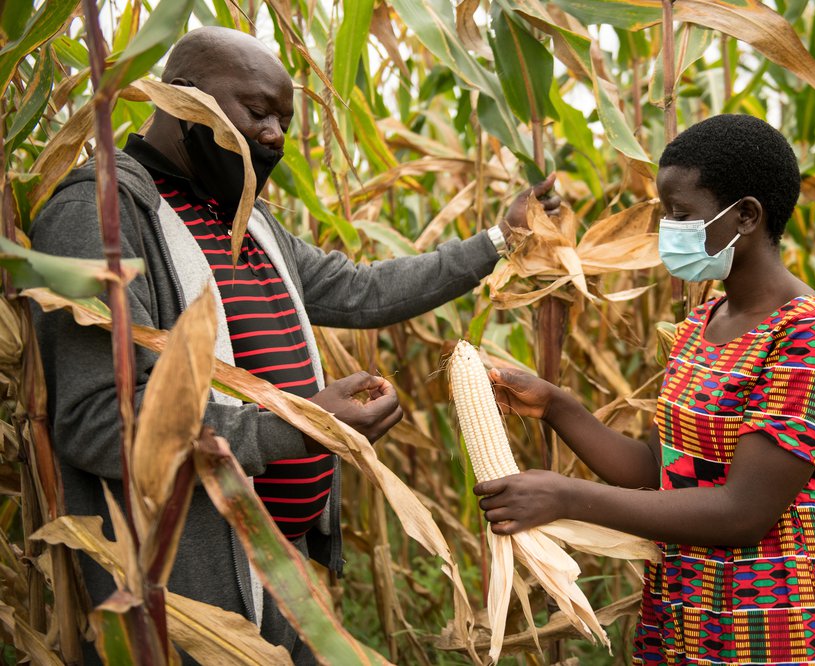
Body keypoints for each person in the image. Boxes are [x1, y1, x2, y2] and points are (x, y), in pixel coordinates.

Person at [30, 26, 557, 662]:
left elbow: (363, 290)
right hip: (192, 593)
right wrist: (299, 426)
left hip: (285, 564)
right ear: (182, 101)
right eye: (258, 112)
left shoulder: (246, 219)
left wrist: (499, 240)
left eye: (285, 118)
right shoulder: (102, 213)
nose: (278, 135)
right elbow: (96, 422)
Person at [475, 114, 815, 665]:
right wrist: (555, 404)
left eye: (680, 215)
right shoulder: (702, 323)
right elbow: (660, 469)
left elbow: (744, 512)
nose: (667, 231)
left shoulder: (808, 337)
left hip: (775, 615)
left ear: (745, 215)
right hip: (689, 602)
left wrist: (567, 497)